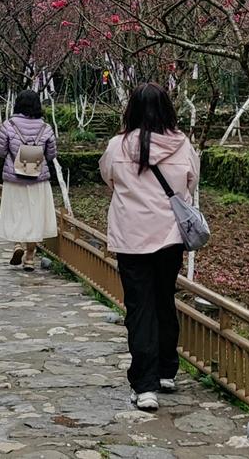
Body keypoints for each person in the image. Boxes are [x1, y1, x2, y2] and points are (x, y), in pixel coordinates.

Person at [99, 82, 200, 412]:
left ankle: (145, 386)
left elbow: (108, 179)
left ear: (132, 110)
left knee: (140, 306)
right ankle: (166, 370)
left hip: (131, 239)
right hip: (170, 237)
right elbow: (191, 183)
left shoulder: (118, 146)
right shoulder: (183, 145)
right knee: (163, 299)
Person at [0, 90, 58, 271]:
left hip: (15, 178)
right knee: (35, 216)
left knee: (16, 213)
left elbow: (0, 151)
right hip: (38, 179)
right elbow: (52, 154)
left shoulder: (9, 125)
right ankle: (30, 257)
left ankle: (18, 245)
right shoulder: (46, 128)